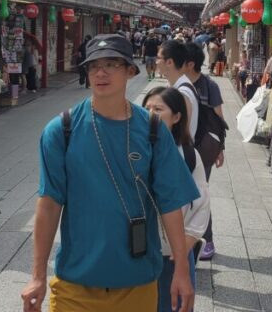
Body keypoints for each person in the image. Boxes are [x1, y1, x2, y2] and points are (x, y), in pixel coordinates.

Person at [21, 34, 199, 312]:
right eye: (94, 66)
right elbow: (49, 204)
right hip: (75, 286)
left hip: (137, 283)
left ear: (130, 70)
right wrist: (37, 277)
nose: (101, 72)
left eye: (112, 64)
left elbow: (171, 203)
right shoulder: (61, 131)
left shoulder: (152, 130)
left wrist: (181, 271)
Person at [142, 87, 210, 312]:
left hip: (174, 257)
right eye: (147, 108)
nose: (150, 113)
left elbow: (202, 204)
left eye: (158, 109)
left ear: (177, 117)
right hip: (138, 254)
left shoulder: (188, 154)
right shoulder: (133, 151)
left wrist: (185, 245)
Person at [183, 43, 227, 261]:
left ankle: (207, 240)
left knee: (199, 193)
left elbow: (219, 119)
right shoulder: (178, 87)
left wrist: (221, 148)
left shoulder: (209, 86)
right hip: (183, 147)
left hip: (203, 149)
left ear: (190, 64)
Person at [156, 40, 199, 144]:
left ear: (169, 62)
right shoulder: (176, 85)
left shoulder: (183, 93)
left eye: (158, 58)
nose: (156, 61)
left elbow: (180, 132)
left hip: (178, 154)